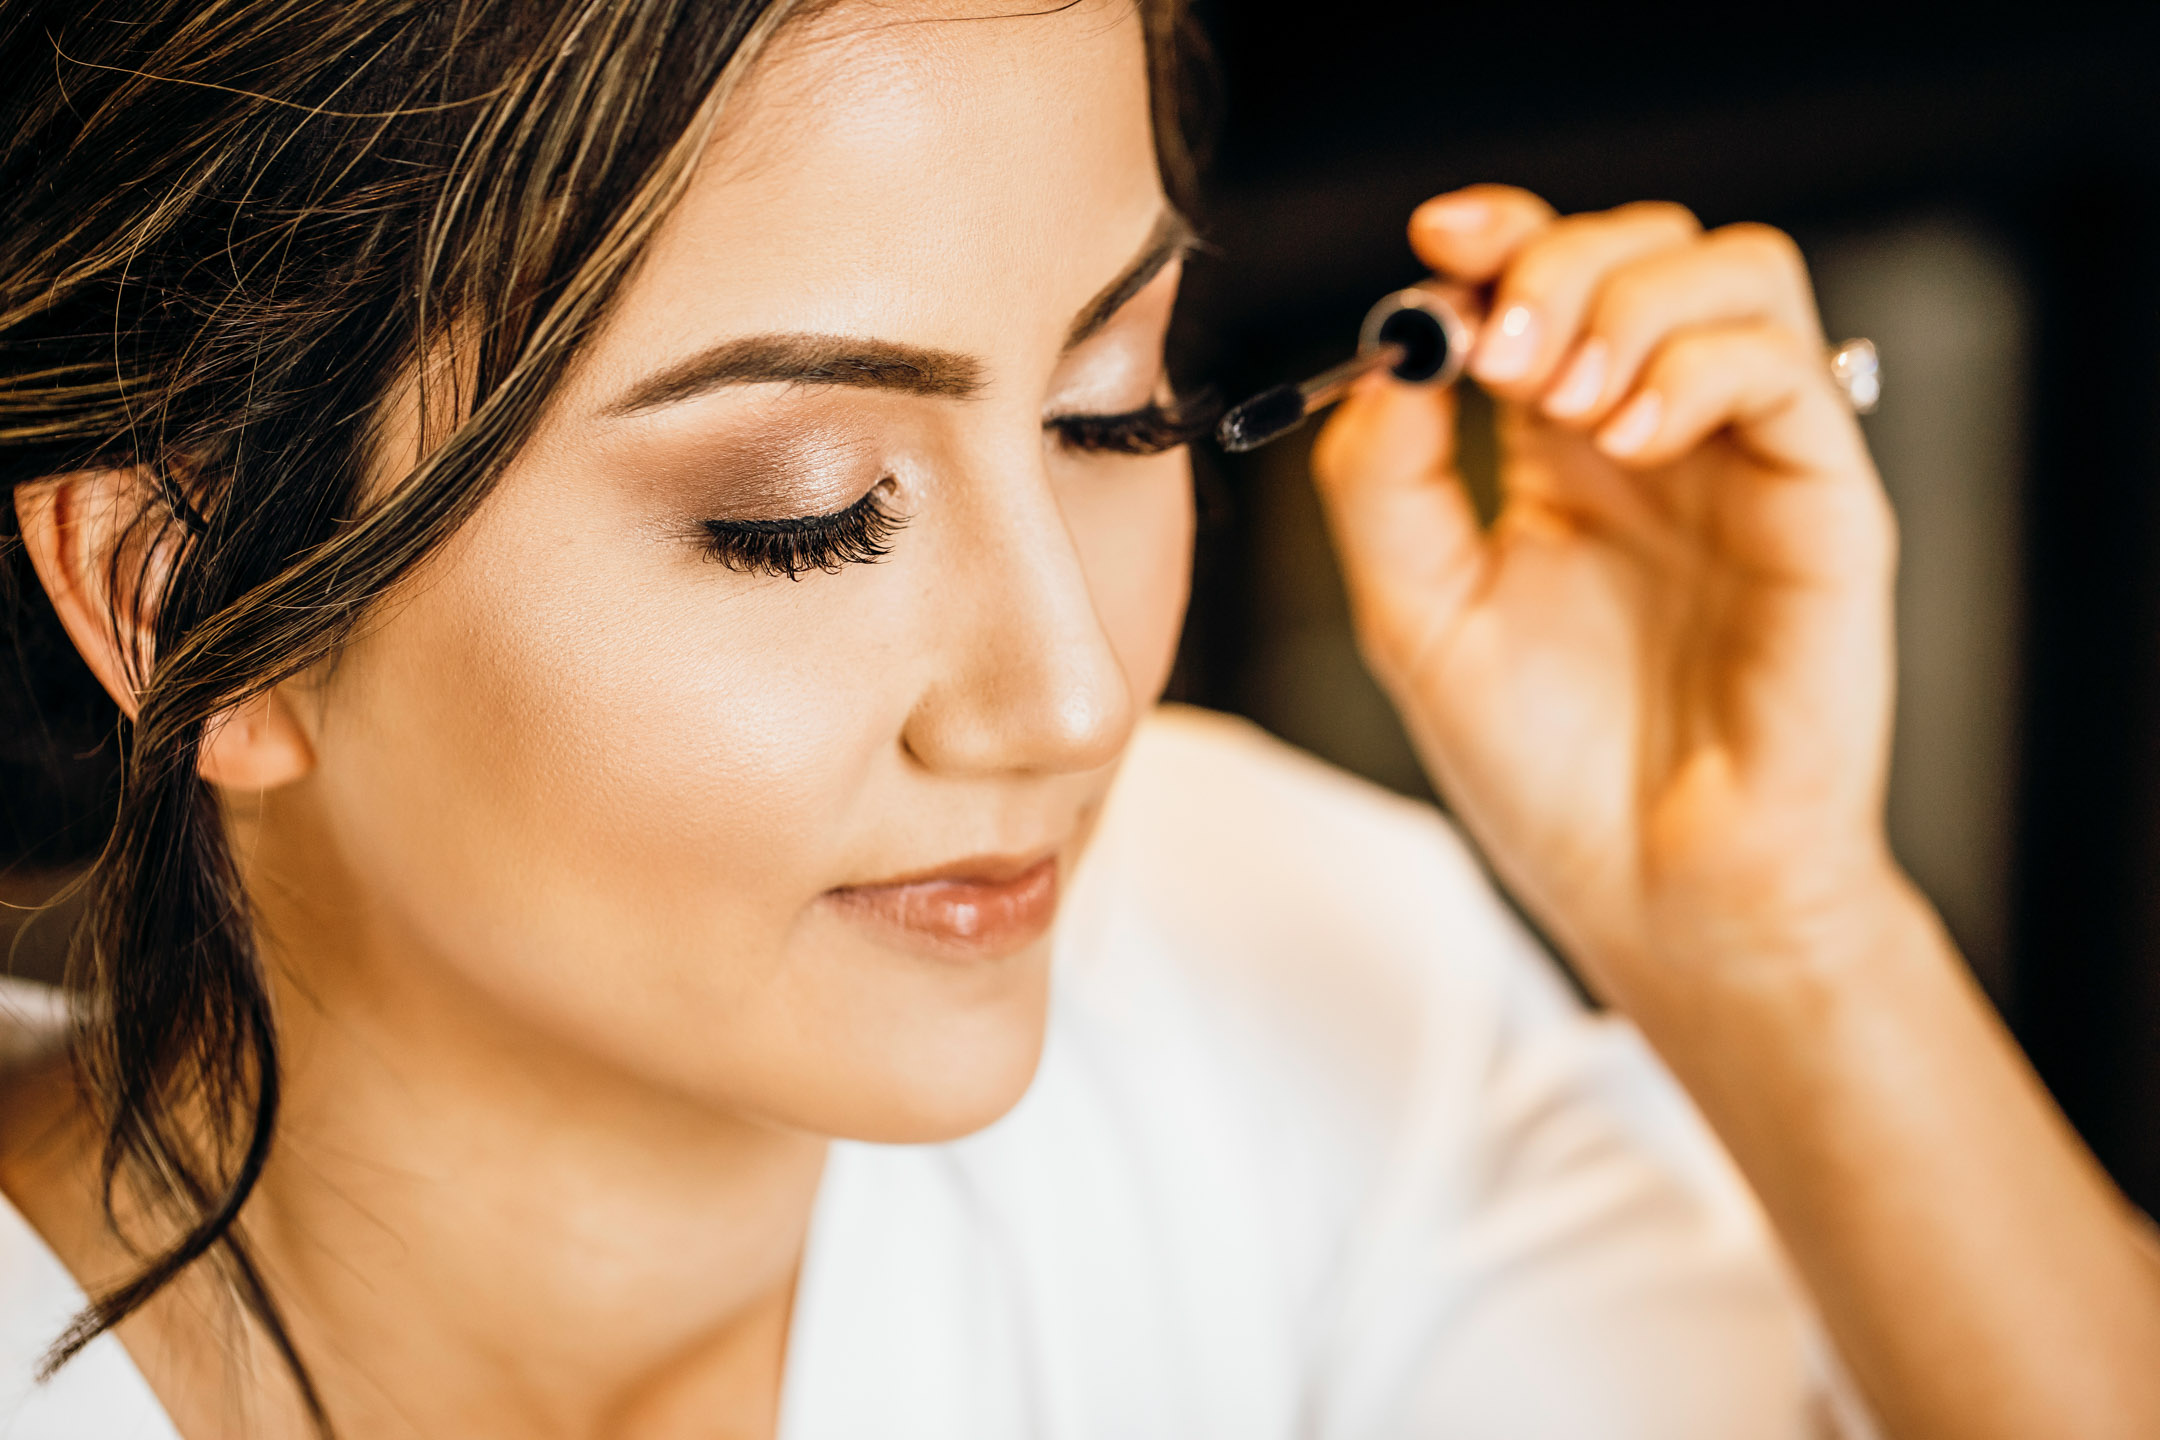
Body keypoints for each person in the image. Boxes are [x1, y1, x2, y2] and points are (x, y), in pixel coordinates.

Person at [0, 3, 2149, 1440]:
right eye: (803, 516)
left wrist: (1778, 944)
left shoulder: (1264, 964)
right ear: (189, 593)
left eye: (1115, 403)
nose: (1078, 695)